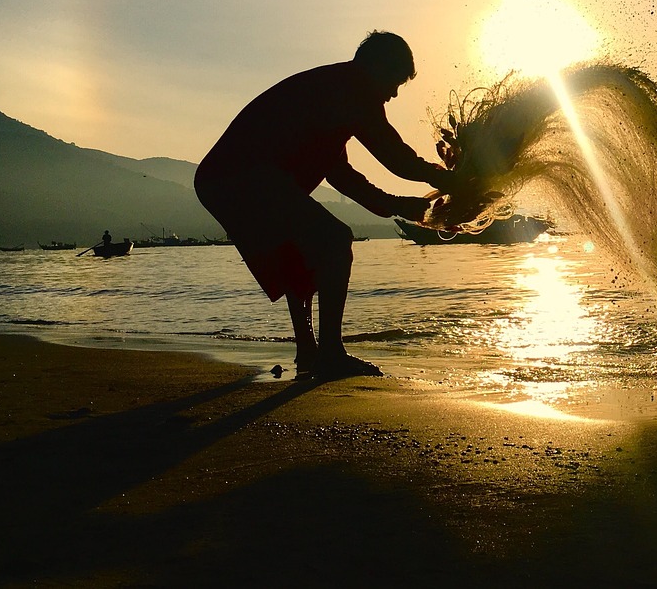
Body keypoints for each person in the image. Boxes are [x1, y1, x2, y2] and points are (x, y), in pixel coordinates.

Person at [194, 31, 460, 379]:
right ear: (376, 67)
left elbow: (342, 175)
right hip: (238, 177)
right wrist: (453, 179)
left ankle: (309, 351)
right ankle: (330, 355)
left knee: (302, 251)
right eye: (394, 82)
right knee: (334, 240)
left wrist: (398, 205)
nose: (394, 94)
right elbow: (396, 158)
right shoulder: (352, 90)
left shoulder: (332, 93)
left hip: (223, 180)